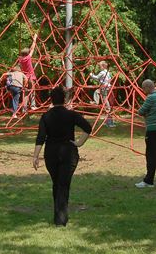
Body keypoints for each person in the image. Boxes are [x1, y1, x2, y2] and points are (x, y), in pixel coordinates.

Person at [33, 86, 92, 226]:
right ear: (65, 99)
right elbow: (88, 128)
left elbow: (41, 137)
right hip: (68, 153)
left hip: (51, 153)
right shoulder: (71, 114)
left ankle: (59, 216)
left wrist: (35, 156)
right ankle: (60, 219)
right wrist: (79, 143)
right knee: (63, 185)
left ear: (51, 100)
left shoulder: (46, 116)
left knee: (57, 183)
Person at [136, 79, 156, 188]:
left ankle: (148, 181)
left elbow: (140, 111)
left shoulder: (151, 97)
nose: (143, 91)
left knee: (151, 156)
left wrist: (146, 114)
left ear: (148, 87)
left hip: (153, 130)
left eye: (143, 88)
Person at [89, 61, 115, 127]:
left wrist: (91, 75)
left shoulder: (102, 72)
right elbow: (108, 79)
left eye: (100, 66)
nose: (99, 67)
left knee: (101, 96)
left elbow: (97, 77)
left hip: (104, 87)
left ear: (103, 66)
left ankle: (96, 102)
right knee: (104, 97)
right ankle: (109, 120)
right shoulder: (107, 72)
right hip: (107, 86)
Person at [18, 33, 39, 110]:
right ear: (27, 53)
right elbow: (32, 48)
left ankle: (24, 107)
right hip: (30, 77)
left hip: (24, 77)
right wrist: (35, 38)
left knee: (26, 93)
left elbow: (20, 55)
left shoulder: (20, 59)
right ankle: (33, 106)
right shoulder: (28, 57)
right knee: (32, 91)